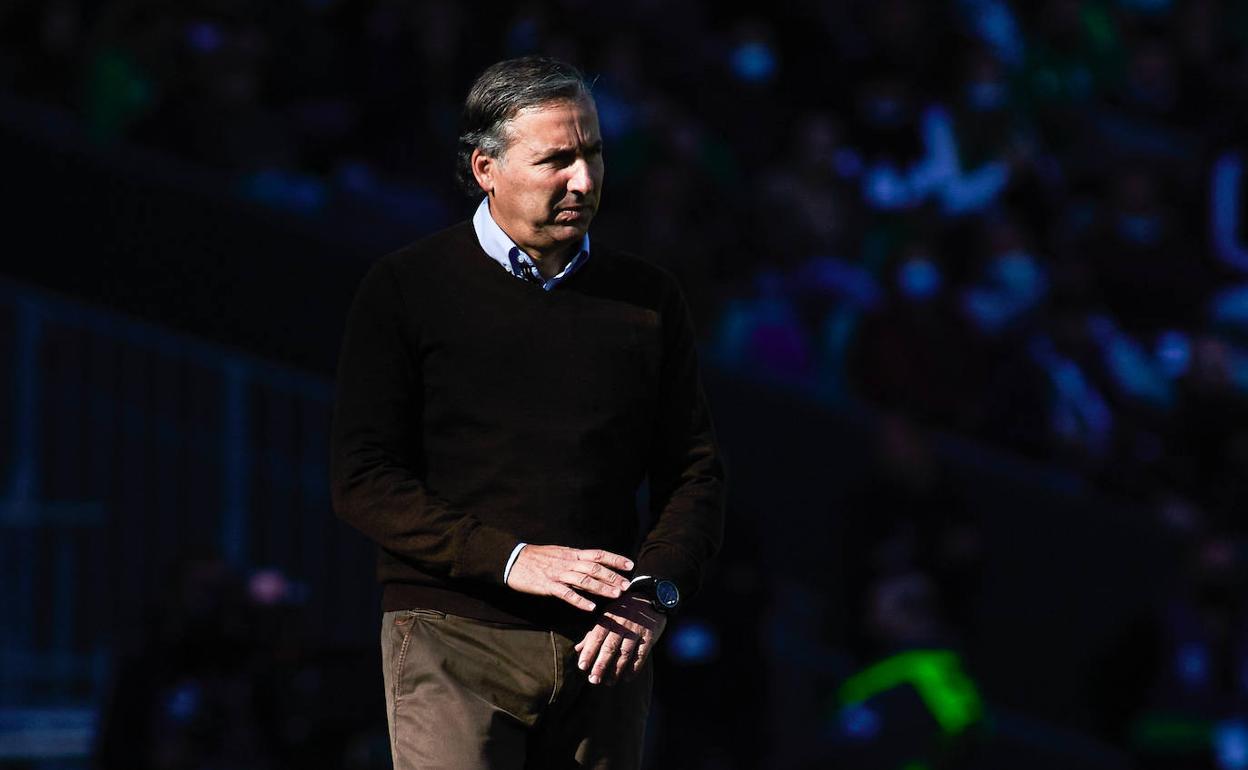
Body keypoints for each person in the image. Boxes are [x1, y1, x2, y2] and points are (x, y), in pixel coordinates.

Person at [329, 56, 725, 770]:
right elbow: (362, 478)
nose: (584, 179)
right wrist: (512, 560)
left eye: (594, 154)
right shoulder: (405, 289)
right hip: (451, 635)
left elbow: (694, 472)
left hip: (607, 648)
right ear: (486, 168)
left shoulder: (648, 299)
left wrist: (653, 593)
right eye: (557, 160)